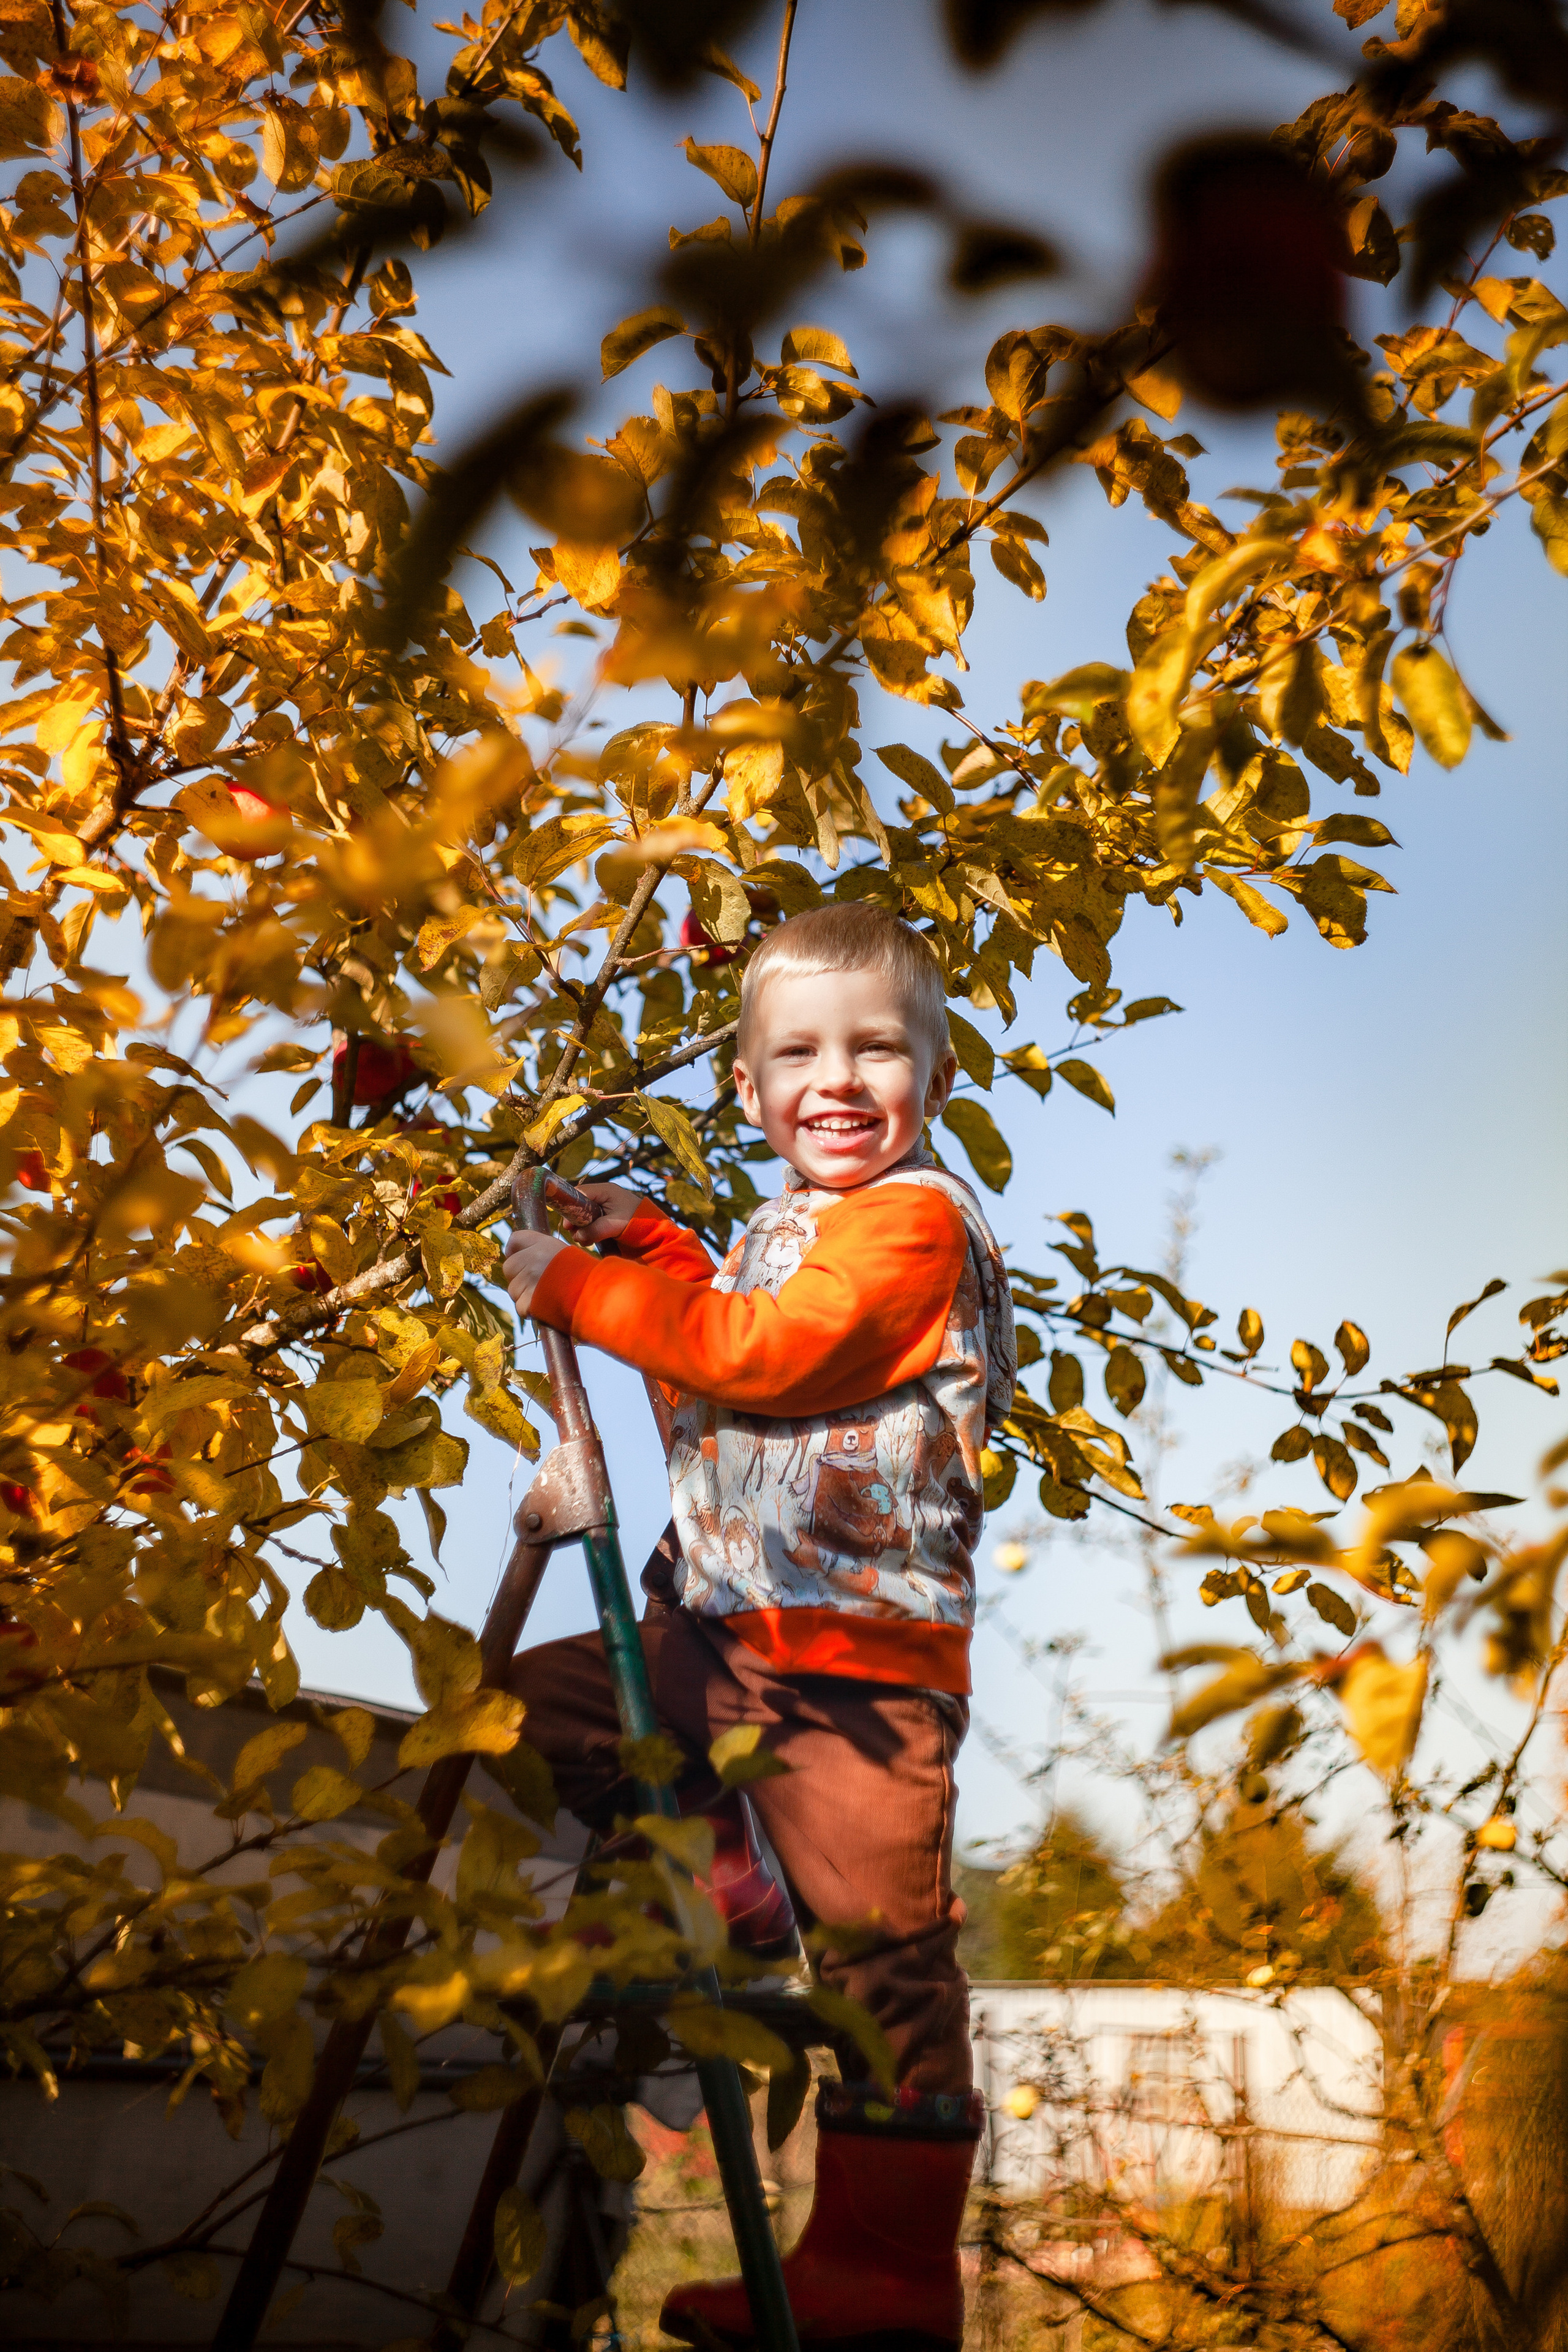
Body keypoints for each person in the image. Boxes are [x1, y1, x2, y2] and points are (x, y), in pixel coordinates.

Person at [502, 902, 1016, 2351]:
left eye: (876, 1049)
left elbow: (772, 1355)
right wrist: (653, 1243)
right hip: (711, 1632)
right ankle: (725, 1870)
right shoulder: (791, 1223)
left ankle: (887, 2270)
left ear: (935, 1074)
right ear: (746, 1087)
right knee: (540, 1713)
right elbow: (715, 1353)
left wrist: (582, 1291)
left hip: (848, 1675)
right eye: (798, 1053)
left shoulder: (912, 1224)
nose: (836, 1080)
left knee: (882, 1962)